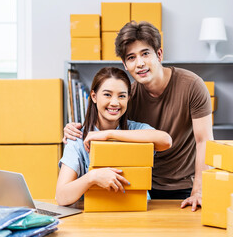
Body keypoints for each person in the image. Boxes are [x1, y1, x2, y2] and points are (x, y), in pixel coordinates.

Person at [63, 21, 213, 211]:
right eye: (131, 57)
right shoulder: (127, 97)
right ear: (125, 64)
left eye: (145, 54)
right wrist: (74, 131)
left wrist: (198, 191)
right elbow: (109, 125)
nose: (140, 63)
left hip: (185, 186)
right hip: (141, 184)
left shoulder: (192, 86)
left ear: (159, 54)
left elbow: (204, 142)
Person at [56, 67, 172, 206]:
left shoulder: (137, 130)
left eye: (122, 96)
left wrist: (109, 134)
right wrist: (92, 177)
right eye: (107, 94)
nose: (115, 103)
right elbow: (61, 197)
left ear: (128, 98)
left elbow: (166, 140)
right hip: (96, 216)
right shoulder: (78, 137)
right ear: (93, 96)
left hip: (138, 213)